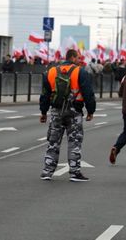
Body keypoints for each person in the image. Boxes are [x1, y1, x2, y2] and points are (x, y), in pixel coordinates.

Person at [39, 49, 95, 182]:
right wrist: (90, 111)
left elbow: (45, 94)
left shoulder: (51, 71)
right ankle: (75, 173)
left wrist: (43, 112)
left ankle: (47, 171)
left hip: (56, 111)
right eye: (78, 57)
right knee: (74, 142)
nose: (79, 60)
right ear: (73, 57)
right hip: (74, 111)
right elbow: (88, 93)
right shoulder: (80, 71)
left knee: (53, 141)